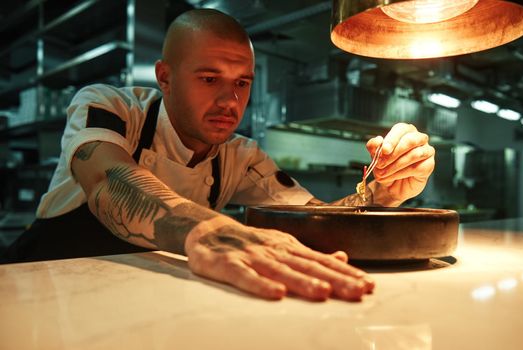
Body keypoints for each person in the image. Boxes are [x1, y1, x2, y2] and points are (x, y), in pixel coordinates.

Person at [1, 9, 435, 301]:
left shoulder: (241, 156)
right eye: (210, 79)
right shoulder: (111, 107)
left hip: (143, 295)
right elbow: (107, 181)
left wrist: (380, 194)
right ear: (165, 78)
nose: (231, 101)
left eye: (242, 83)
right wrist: (204, 229)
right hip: (39, 288)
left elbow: (314, 221)